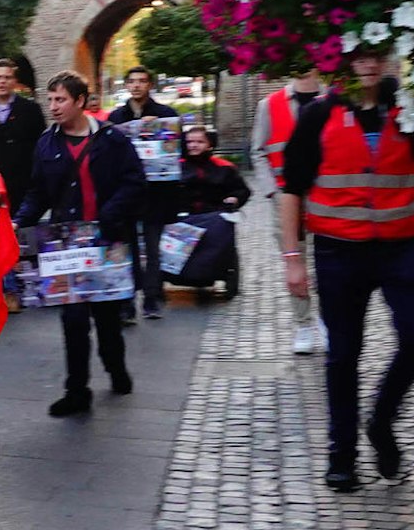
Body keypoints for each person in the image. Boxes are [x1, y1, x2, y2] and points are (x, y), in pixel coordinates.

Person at [279, 48, 414, 493]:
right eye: (358, 57)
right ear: (343, 63)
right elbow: (292, 189)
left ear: (386, 60)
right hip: (338, 251)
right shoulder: (317, 115)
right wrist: (293, 259)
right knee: (344, 354)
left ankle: (381, 421)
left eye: (375, 56)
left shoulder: (410, 111)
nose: (367, 65)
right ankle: (341, 454)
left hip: (402, 247)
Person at [14, 71, 145, 417]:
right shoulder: (46, 143)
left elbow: (134, 181)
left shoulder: (112, 140)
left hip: (106, 240)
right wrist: (21, 220)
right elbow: (38, 191)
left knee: (106, 317)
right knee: (72, 318)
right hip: (66, 245)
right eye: (50, 99)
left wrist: (109, 215)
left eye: (61, 100)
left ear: (80, 102)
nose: (53, 106)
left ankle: (116, 368)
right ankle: (77, 390)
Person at [254, 72, 328, 354]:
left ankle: (327, 321)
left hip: (326, 194)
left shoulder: (332, 100)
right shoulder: (270, 105)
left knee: (328, 261)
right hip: (285, 197)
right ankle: (303, 324)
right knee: (294, 261)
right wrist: (272, 191)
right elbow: (258, 151)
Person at [107, 66, 180, 321]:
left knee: (153, 246)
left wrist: (157, 128)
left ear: (150, 85)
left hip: (156, 192)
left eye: (142, 81)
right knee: (128, 248)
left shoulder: (166, 114)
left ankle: (152, 298)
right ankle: (127, 300)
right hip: (126, 192)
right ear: (126, 85)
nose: (137, 86)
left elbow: (174, 148)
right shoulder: (115, 117)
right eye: (132, 82)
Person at [0, 58, 46, 213]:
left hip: (21, 185)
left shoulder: (30, 110)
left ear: (15, 81)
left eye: (7, 77)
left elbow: (41, 146)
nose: (2, 82)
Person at [179, 126, 248, 215]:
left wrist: (235, 198)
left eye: (200, 142)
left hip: (216, 214)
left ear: (209, 145)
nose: (193, 145)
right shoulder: (176, 166)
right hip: (182, 216)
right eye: (189, 142)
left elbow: (241, 190)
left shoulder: (225, 167)